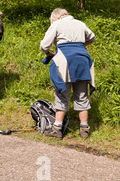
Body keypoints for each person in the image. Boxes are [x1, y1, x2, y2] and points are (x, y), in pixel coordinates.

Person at [40, 8, 96, 139]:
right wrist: (81, 46)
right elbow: (92, 38)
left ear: (56, 17)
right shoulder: (80, 23)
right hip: (83, 60)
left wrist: (49, 53)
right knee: (82, 95)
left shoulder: (57, 24)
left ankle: (57, 129)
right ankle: (84, 129)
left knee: (62, 93)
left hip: (65, 61)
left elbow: (44, 45)